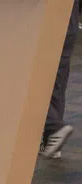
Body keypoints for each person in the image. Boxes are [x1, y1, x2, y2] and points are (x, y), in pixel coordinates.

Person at [39, 0, 79, 158]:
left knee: (30, 76)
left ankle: (52, 127)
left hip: (49, 17)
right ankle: (52, 139)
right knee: (57, 77)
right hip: (69, 17)